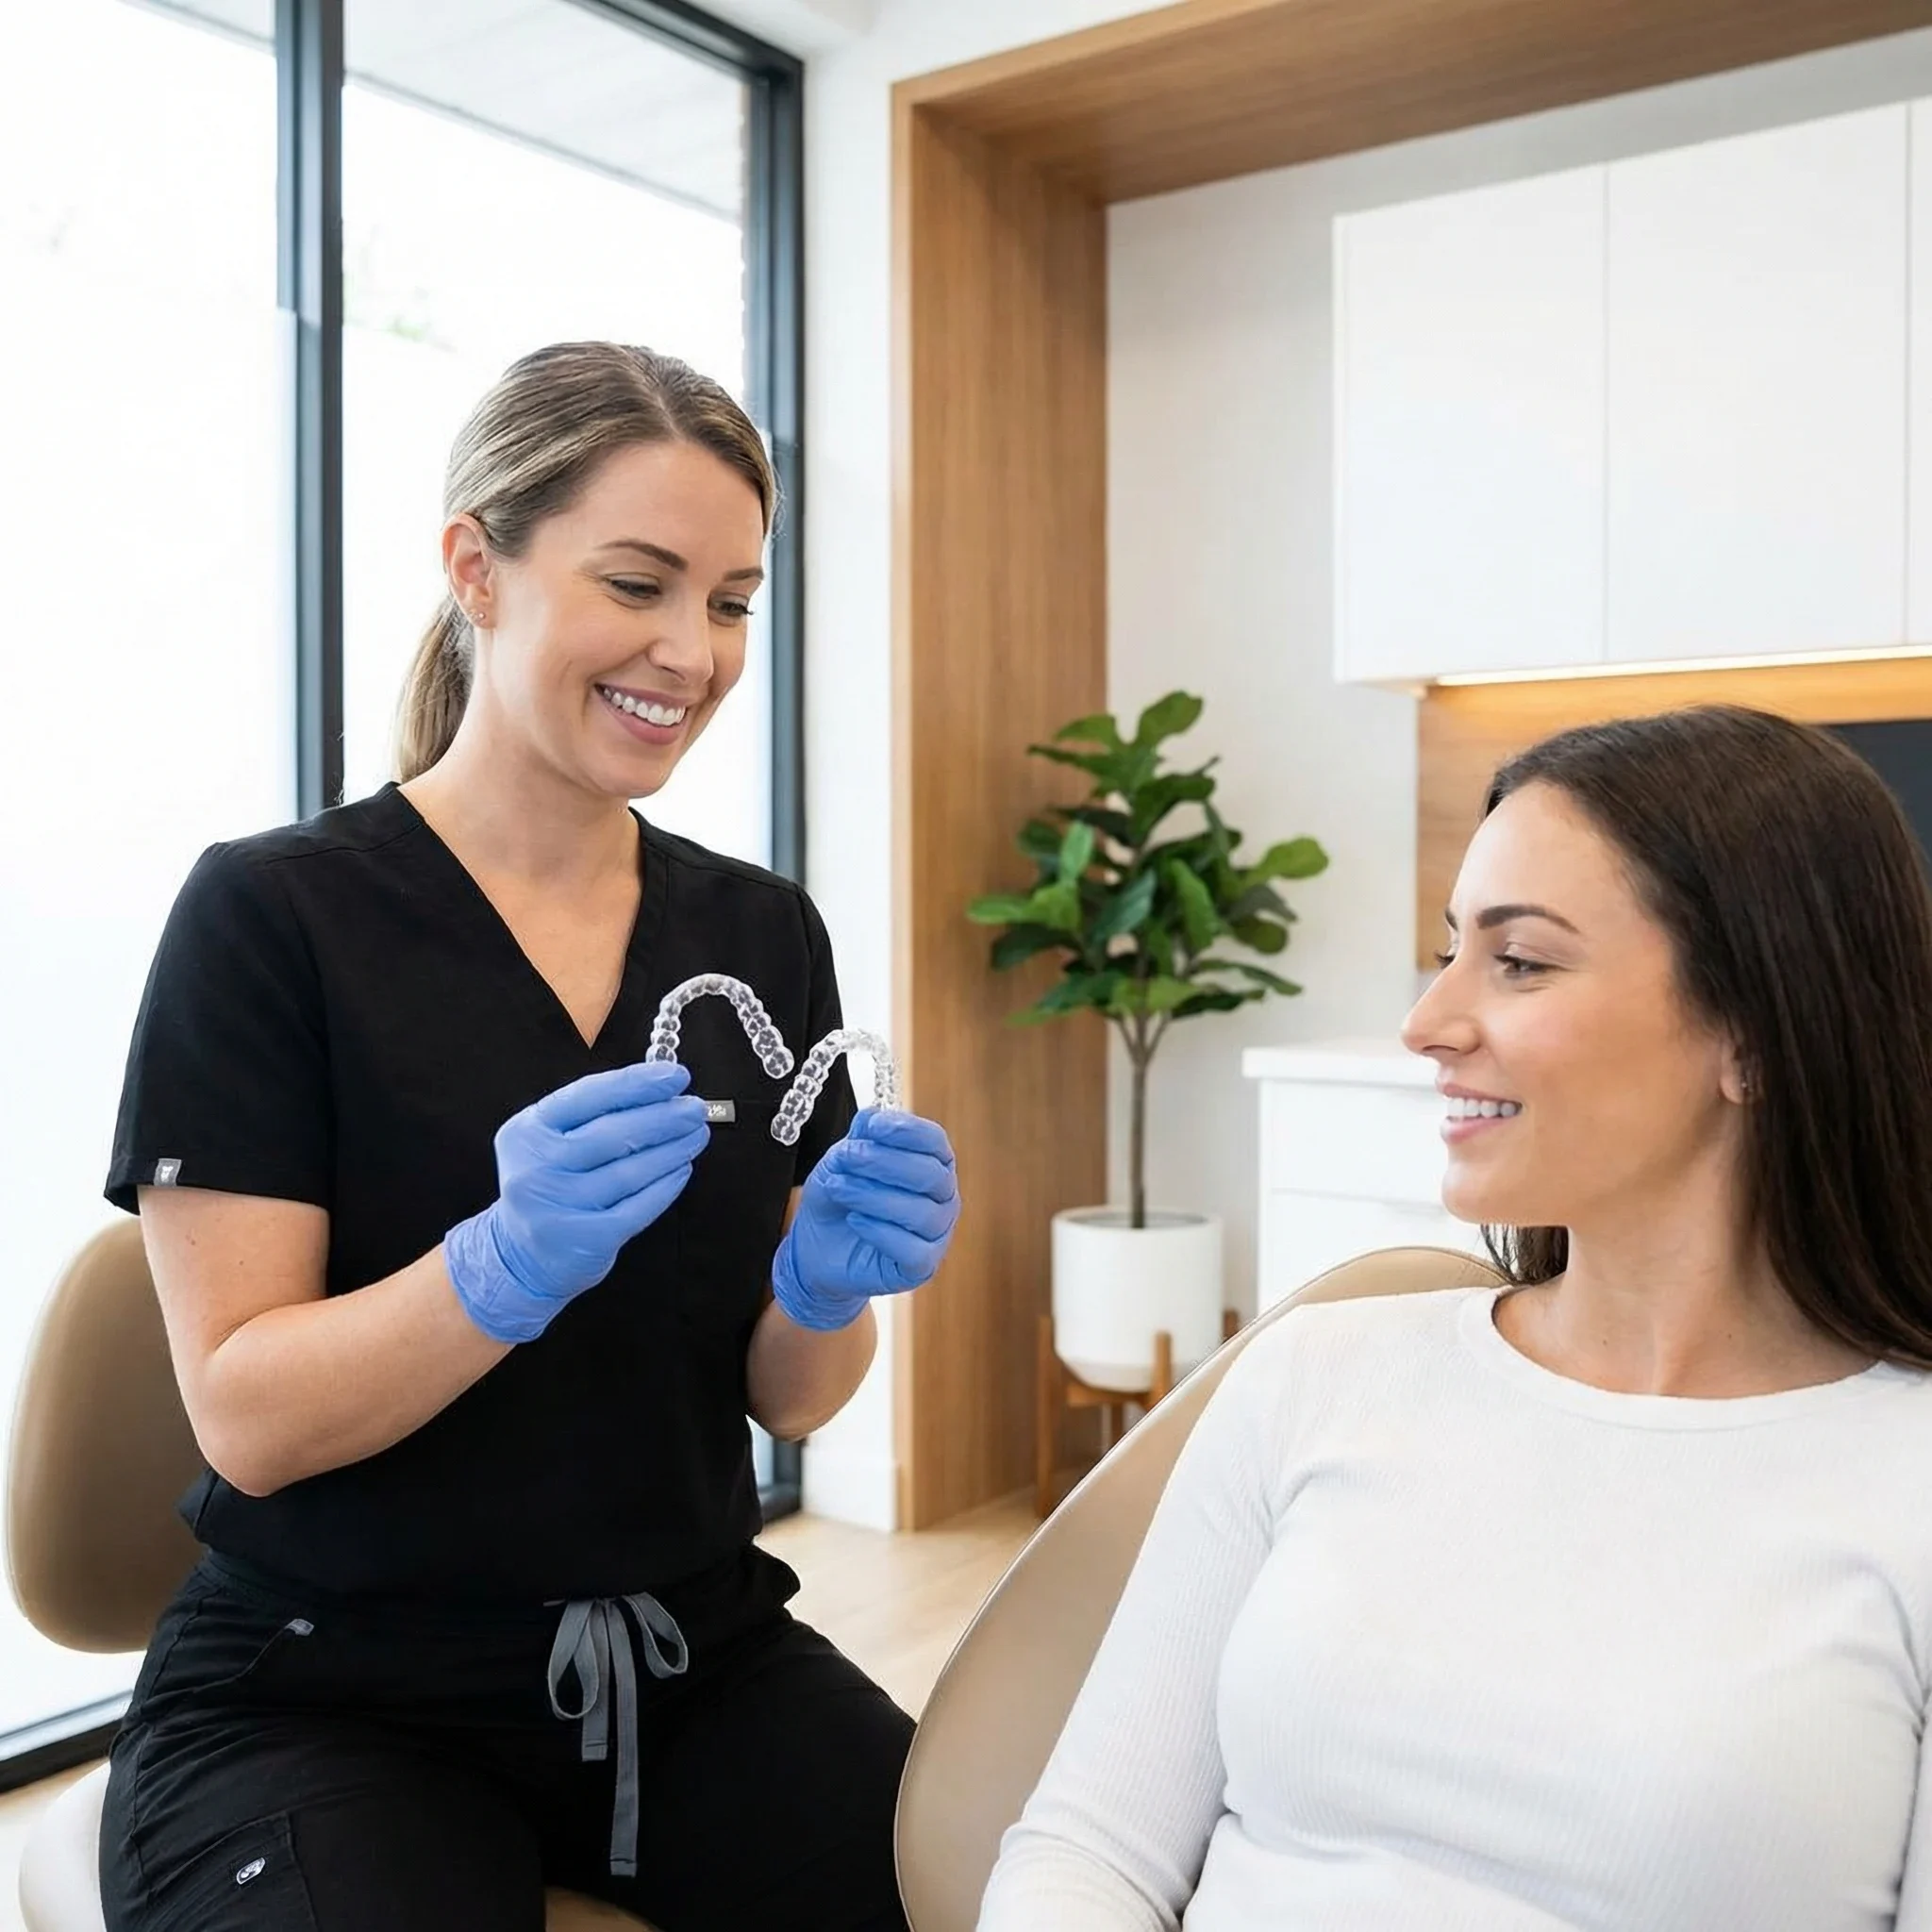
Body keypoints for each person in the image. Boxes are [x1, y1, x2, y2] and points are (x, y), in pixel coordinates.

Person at [100, 341, 959, 1932]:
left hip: (693, 1659)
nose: (691, 652)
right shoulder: (276, 916)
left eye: (731, 602)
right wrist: (492, 1272)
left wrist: (831, 1292)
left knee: (989, 1896)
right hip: (334, 1694)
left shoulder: (759, 933)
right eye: (637, 583)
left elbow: (791, 1396)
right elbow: (248, 1420)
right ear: (475, 570)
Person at [978, 704, 1932, 1931]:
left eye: (1519, 960)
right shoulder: (1317, 1374)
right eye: (1448, 951)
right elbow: (1087, 1851)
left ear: (1752, 1030)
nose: (1428, 1022)